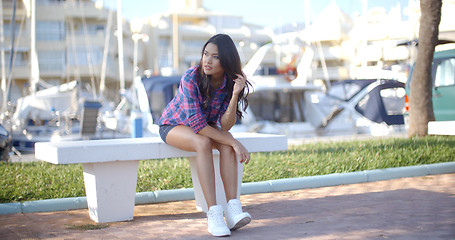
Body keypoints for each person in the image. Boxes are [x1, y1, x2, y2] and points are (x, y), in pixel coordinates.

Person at [158, 34, 252, 237]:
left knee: (225, 145)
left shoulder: (229, 83)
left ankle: (233, 209)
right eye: (205, 54)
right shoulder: (191, 77)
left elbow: (225, 126)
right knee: (204, 142)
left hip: (203, 127)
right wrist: (236, 142)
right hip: (173, 126)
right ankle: (214, 214)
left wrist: (235, 93)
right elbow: (199, 126)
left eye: (215, 57)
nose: (207, 60)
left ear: (226, 60)